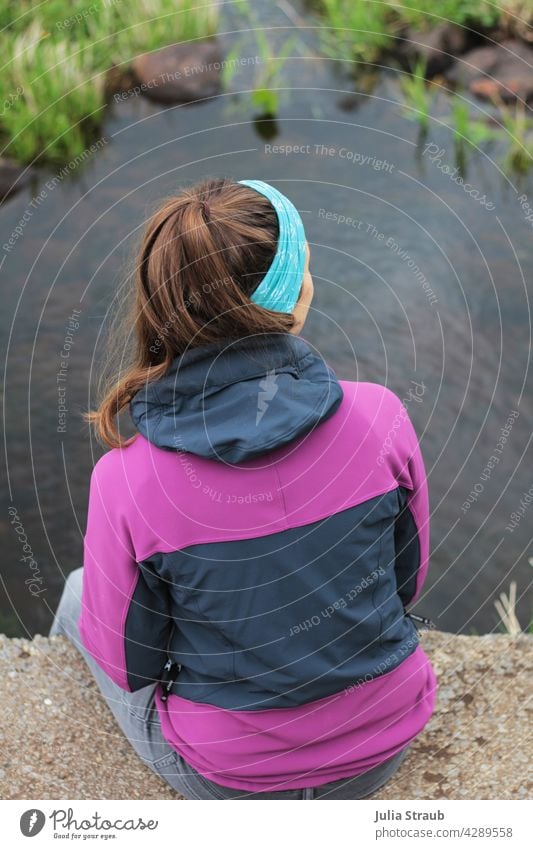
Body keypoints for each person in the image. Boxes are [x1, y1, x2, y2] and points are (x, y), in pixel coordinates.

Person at [50, 177, 437, 800]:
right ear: (290, 295)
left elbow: (129, 665)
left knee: (76, 596)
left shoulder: (123, 477)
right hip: (384, 745)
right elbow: (405, 582)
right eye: (307, 266)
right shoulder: (383, 418)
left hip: (230, 779)